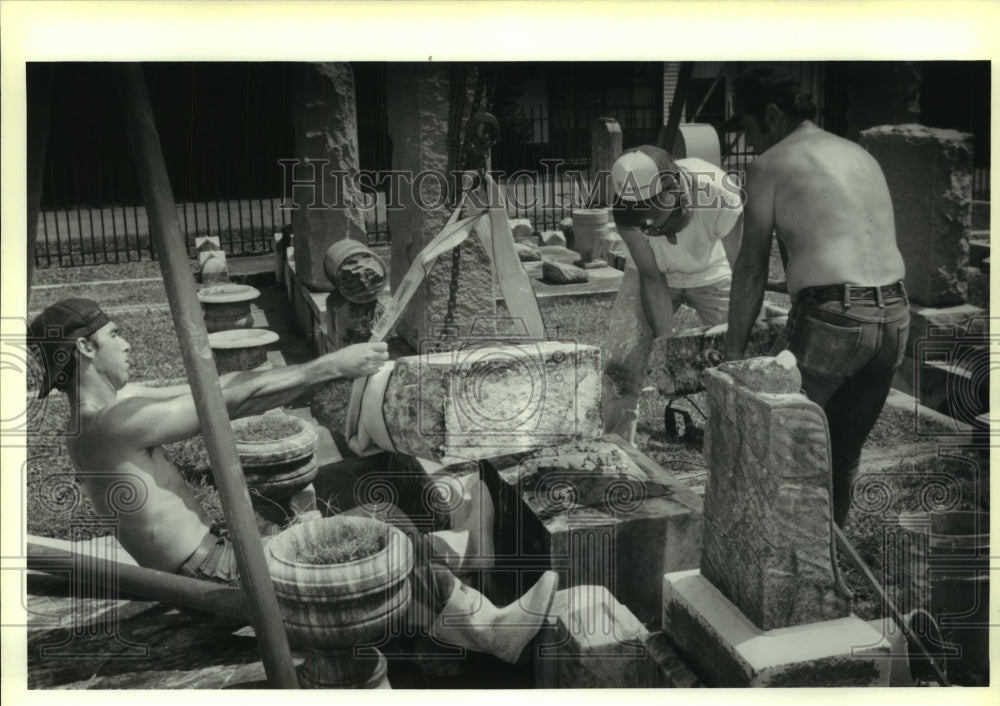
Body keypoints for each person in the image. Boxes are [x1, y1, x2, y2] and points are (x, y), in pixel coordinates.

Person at [28, 298, 557, 663]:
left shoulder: (103, 413)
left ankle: (456, 580)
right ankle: (490, 630)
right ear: (85, 350)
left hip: (220, 557)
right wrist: (330, 367)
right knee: (390, 540)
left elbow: (214, 384)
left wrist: (315, 366)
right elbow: (229, 404)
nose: (127, 344)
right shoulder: (112, 425)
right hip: (218, 577)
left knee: (382, 525)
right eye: (113, 335)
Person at [721, 66, 910, 529]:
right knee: (843, 450)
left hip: (834, 320)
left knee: (779, 442)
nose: (749, 142)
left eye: (748, 128)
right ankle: (828, 553)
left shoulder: (769, 165)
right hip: (896, 318)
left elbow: (750, 269)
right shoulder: (858, 153)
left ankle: (781, 557)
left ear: (771, 113)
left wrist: (731, 357)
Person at [611, 144, 744, 336]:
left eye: (654, 220)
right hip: (652, 272)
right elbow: (651, 277)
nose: (651, 231)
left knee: (743, 344)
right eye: (643, 226)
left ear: (676, 190)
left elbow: (743, 270)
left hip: (710, 269)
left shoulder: (720, 194)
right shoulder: (625, 212)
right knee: (625, 358)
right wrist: (663, 345)